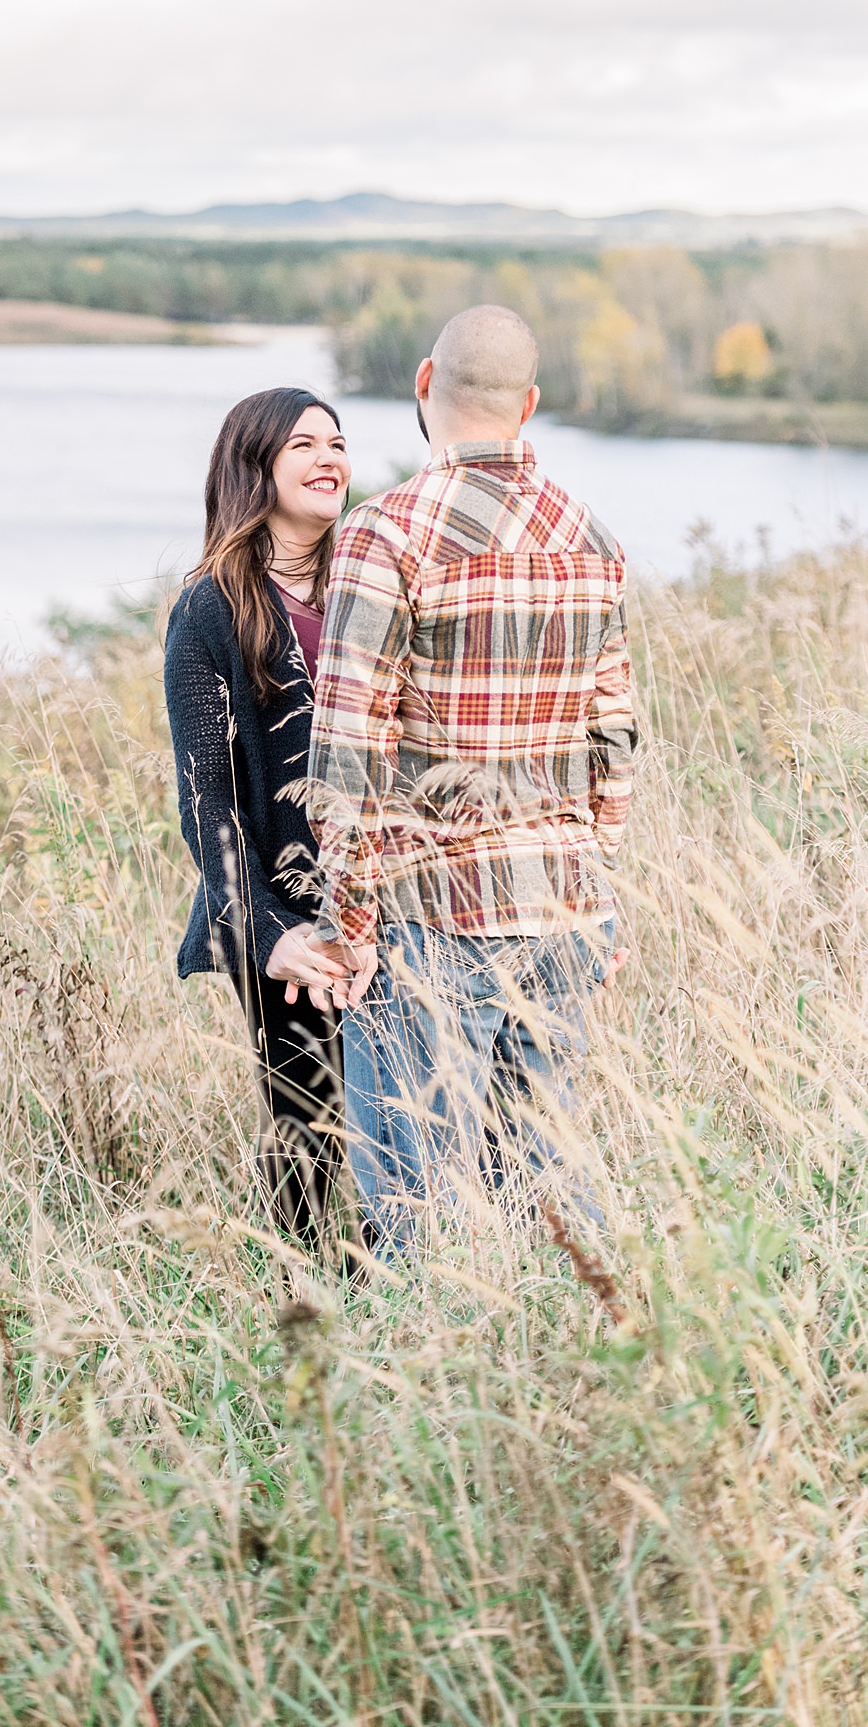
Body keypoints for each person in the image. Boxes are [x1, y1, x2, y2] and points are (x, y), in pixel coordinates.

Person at [305, 305, 638, 1251]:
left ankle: (432, 1387)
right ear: (529, 404)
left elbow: (348, 759)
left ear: (423, 383)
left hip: (430, 917)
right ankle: (580, 1377)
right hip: (566, 909)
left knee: (422, 1218)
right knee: (552, 1203)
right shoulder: (594, 539)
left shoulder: (386, 536)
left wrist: (348, 928)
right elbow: (615, 739)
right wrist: (594, 891)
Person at [164, 387, 357, 1255]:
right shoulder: (210, 608)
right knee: (309, 1126)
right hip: (286, 915)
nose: (331, 460)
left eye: (339, 443)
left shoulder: (371, 581)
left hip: (392, 903)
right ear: (255, 468)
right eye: (304, 446)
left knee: (413, 1117)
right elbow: (203, 798)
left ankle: (419, 1292)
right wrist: (271, 932)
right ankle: (313, 1302)